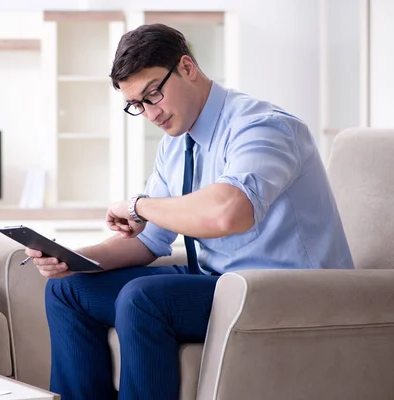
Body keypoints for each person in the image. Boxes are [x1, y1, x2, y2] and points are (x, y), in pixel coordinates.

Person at [25, 24, 354, 399]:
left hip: (287, 291)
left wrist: (138, 205)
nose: (150, 113)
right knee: (67, 290)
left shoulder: (263, 127)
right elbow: (148, 240)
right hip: (218, 283)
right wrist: (73, 259)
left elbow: (228, 213)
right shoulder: (176, 144)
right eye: (137, 105)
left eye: (153, 94)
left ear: (186, 67)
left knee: (143, 298)